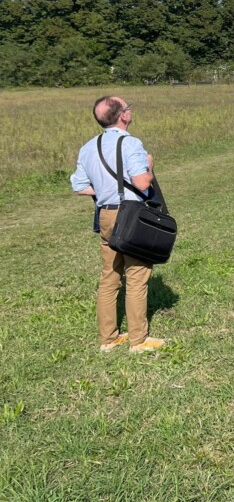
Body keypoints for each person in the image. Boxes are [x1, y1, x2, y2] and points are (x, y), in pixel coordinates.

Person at [70, 97, 165, 353]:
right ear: (122, 116)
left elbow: (79, 187)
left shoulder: (88, 147)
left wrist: (104, 191)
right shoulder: (130, 143)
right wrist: (151, 167)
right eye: (127, 107)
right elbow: (143, 183)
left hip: (105, 214)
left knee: (109, 276)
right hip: (131, 214)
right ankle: (138, 339)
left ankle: (108, 338)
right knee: (136, 275)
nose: (130, 110)